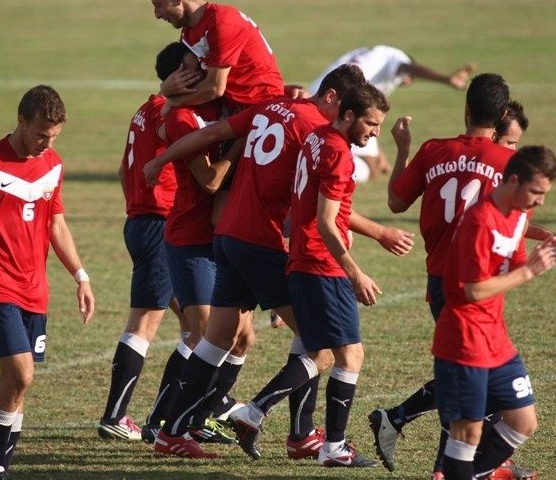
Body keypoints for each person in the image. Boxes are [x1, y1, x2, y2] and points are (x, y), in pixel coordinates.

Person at [143, 65, 413, 460]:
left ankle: (174, 432)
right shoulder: (318, 132)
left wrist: (162, 159)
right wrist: (381, 232)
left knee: (218, 337)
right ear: (338, 100)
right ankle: (295, 432)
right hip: (261, 240)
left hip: (229, 234)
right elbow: (326, 210)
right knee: (319, 343)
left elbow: (214, 133)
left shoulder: (276, 108)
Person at [371, 81, 556, 479]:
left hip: (444, 280)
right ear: (500, 121)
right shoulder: (502, 171)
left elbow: (395, 201)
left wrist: (404, 148)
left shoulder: (434, 151)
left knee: (483, 403)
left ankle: (438, 446)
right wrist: (536, 256)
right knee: (467, 403)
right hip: (468, 290)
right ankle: (448, 464)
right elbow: (488, 247)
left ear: (466, 110)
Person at [227, 84, 402, 468]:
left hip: (302, 261)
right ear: (350, 115)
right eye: (371, 124)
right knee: (350, 355)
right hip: (323, 264)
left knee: (319, 351)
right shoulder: (339, 155)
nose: (375, 133)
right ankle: (333, 447)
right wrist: (354, 272)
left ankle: (253, 414)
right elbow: (325, 222)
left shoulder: (317, 138)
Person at [0, 85, 95, 480]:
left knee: (18, 383)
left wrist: (80, 275)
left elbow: (56, 223)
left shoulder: (53, 165)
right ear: (22, 121)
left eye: (54, 137)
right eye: (40, 134)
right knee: (22, 374)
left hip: (35, 289)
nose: (47, 143)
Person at [434, 145, 556, 479]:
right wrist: (531, 271)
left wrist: (550, 248)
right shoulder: (479, 222)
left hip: (496, 339)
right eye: (536, 192)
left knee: (524, 422)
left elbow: (512, 259)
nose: (540, 201)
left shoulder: (519, 213)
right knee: (467, 435)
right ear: (513, 181)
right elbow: (474, 289)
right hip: (465, 342)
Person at [138, 42, 242, 446]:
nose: (200, 68)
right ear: (174, 77)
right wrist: (239, 140)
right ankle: (164, 422)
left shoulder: (212, 106)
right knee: (203, 335)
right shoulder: (181, 118)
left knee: (240, 337)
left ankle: (200, 416)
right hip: (190, 240)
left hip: (224, 237)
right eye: (189, 67)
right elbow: (211, 180)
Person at [96, 42, 193, 441]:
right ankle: (117, 417)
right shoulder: (163, 112)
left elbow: (123, 170)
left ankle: (164, 418)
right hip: (159, 225)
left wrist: (138, 207)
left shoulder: (144, 109)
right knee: (144, 324)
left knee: (196, 327)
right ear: (178, 75)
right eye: (193, 71)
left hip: (143, 223)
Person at [310, 45, 476, 183]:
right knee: (371, 166)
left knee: (370, 160)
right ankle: (324, 171)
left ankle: (319, 165)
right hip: (339, 102)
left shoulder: (373, 55)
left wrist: (380, 152)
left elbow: (367, 119)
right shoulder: (396, 58)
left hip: (323, 94)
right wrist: (445, 79)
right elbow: (408, 68)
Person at [141, 0, 285, 116]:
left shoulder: (222, 22)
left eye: (159, 5)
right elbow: (198, 79)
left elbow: (214, 88)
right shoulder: (188, 31)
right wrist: (165, 91)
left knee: (184, 132)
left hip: (261, 109)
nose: (157, 14)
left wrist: (172, 101)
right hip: (232, 109)